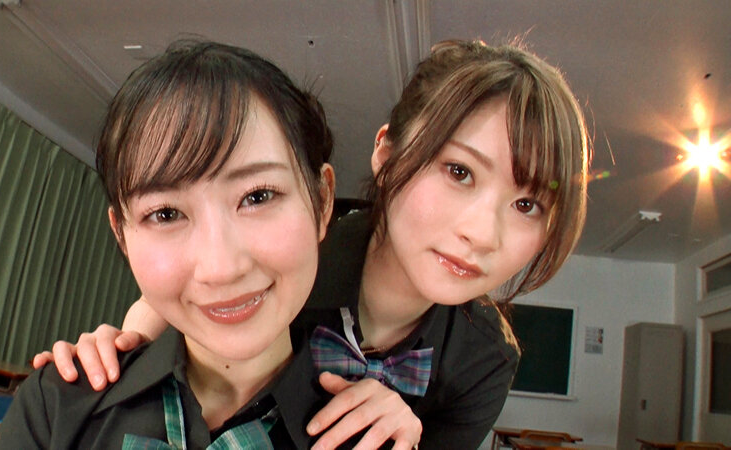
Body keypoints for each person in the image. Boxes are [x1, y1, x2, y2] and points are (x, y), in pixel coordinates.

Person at [33, 39, 590, 449]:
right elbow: (181, 287)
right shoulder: (291, 247)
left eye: (527, 204)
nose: (483, 234)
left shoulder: (486, 358)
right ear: (386, 153)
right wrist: (118, 349)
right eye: (459, 172)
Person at [0, 40, 421, 449]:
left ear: (322, 201)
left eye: (258, 196)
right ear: (121, 235)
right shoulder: (57, 406)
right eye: (165, 214)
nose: (221, 268)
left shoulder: (371, 440)